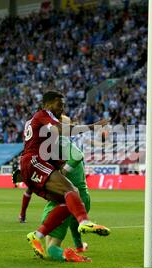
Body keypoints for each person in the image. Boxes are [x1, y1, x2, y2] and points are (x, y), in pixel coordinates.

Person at [19, 90, 110, 258]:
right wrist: (93, 126)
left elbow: (41, 145)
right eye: (59, 105)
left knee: (68, 202)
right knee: (72, 190)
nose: (62, 109)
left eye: (63, 105)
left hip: (33, 163)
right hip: (33, 162)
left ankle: (36, 236)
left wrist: (57, 164)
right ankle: (84, 222)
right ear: (47, 104)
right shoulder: (42, 115)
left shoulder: (37, 121)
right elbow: (63, 130)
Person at [14, 126, 90, 262]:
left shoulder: (51, 148)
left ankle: (40, 236)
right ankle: (71, 245)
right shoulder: (64, 148)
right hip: (74, 199)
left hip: (60, 203)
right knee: (70, 229)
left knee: (53, 246)